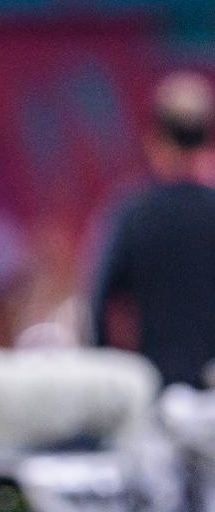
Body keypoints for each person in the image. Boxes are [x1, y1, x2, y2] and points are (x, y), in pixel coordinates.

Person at [92, 70, 215, 389]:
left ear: (155, 141)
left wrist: (112, 377)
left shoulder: (134, 214)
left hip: (155, 393)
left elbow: (99, 303)